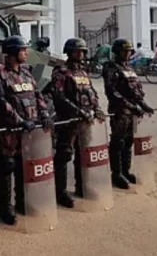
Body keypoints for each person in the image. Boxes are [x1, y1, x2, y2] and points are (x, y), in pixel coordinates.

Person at [0, 35, 51, 225]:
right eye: (22, 50)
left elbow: (37, 94)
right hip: (9, 128)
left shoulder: (26, 72)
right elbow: (1, 102)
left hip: (28, 126)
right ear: (13, 52)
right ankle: (5, 207)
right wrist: (20, 120)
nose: (25, 53)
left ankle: (22, 201)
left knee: (23, 163)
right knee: (7, 164)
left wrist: (44, 114)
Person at [49, 38, 106, 208]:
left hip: (85, 120)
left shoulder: (83, 72)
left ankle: (81, 186)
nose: (80, 54)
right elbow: (59, 96)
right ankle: (60, 192)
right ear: (69, 52)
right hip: (68, 120)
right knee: (64, 155)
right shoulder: (61, 71)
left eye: (82, 51)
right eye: (77, 51)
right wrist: (78, 111)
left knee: (83, 154)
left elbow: (91, 92)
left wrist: (97, 108)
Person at [102, 38, 155, 190]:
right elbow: (112, 92)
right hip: (120, 110)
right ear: (117, 52)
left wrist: (143, 105)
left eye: (129, 51)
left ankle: (126, 170)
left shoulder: (129, 68)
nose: (127, 54)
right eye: (124, 51)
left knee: (128, 141)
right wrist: (131, 106)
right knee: (117, 142)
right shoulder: (111, 67)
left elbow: (136, 90)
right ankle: (116, 173)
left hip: (132, 111)